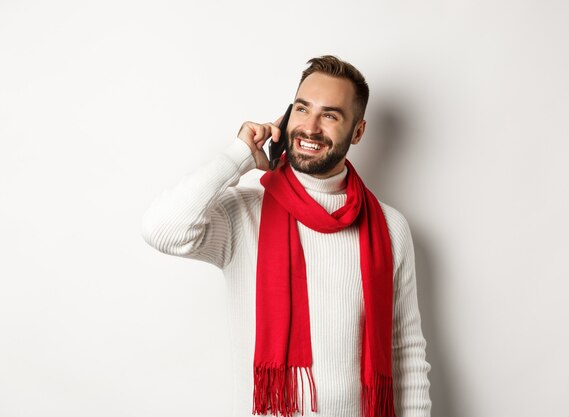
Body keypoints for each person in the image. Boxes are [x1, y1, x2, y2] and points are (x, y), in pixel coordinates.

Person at [142, 55, 431, 417]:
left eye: (330, 115)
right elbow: (162, 229)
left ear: (357, 131)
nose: (309, 127)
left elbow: (406, 350)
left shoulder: (390, 227)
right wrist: (239, 156)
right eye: (301, 109)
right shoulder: (245, 213)